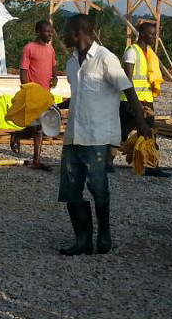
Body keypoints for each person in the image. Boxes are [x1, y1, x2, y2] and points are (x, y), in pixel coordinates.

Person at [58, 14, 151, 256]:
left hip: (97, 136)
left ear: (78, 32)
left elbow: (128, 90)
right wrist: (56, 107)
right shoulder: (71, 63)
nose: (63, 35)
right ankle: (83, 240)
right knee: (70, 189)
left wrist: (142, 125)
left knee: (98, 187)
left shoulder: (105, 59)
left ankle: (104, 234)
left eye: (66, 30)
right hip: (73, 136)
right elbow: (79, 95)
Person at [121, 20, 170, 178]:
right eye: (152, 34)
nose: (155, 37)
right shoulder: (131, 51)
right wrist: (134, 101)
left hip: (146, 100)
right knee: (120, 133)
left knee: (149, 133)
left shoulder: (149, 54)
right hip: (130, 101)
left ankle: (152, 165)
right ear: (142, 34)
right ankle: (105, 162)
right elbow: (127, 78)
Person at [10, 20, 60, 170]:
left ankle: (34, 157)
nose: (50, 34)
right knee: (38, 127)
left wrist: (55, 77)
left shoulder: (50, 49)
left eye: (51, 32)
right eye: (47, 31)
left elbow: (54, 65)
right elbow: (23, 71)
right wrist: (27, 89)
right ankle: (21, 140)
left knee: (42, 127)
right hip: (33, 92)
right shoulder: (29, 48)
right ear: (38, 32)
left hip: (45, 93)